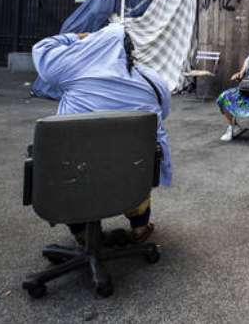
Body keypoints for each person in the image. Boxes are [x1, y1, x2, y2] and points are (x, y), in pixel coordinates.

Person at [32, 23, 171, 244]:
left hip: (73, 176)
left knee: (73, 161)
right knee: (140, 156)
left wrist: (77, 37)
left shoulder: (71, 71)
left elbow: (42, 48)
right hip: (131, 177)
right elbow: (162, 115)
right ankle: (139, 227)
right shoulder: (151, 80)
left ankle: (81, 233)